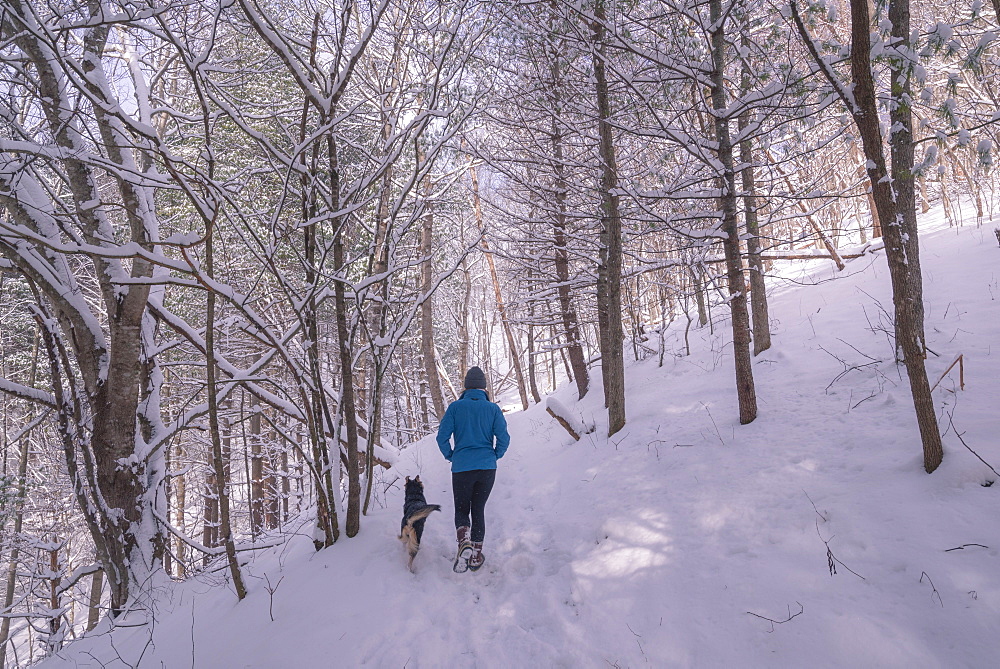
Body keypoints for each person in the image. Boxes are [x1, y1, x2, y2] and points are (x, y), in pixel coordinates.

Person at [436, 366, 510, 573]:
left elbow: (442, 436)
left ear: (466, 386)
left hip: (462, 467)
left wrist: (450, 455)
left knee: (462, 509)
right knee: (478, 510)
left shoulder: (456, 408)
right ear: (484, 387)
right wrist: (495, 455)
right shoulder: (493, 409)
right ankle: (476, 556)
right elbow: (504, 438)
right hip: (487, 468)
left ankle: (464, 542)